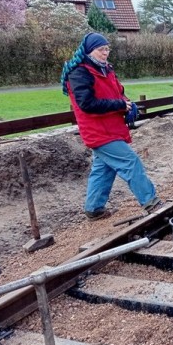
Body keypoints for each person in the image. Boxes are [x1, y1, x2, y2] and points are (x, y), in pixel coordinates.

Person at [60, 32, 162, 220]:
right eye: (101, 50)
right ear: (90, 51)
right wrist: (119, 105)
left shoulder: (106, 69)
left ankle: (94, 209)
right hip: (98, 131)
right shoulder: (79, 73)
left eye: (107, 49)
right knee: (131, 162)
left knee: (103, 169)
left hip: (112, 128)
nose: (105, 53)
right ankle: (152, 203)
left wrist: (127, 104)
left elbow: (117, 92)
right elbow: (86, 104)